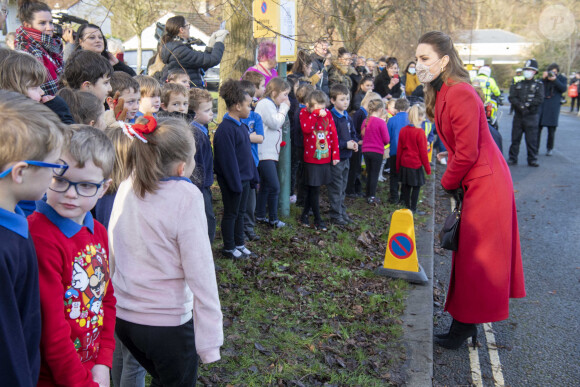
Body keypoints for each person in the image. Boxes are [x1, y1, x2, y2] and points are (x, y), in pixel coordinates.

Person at [416, 31, 525, 349]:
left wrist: (446, 182)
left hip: (485, 182)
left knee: (476, 260)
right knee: (469, 259)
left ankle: (463, 327)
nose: (419, 64)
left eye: (425, 58)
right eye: (418, 58)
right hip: (477, 180)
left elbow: (466, 153)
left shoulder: (459, 92)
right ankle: (463, 325)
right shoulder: (444, 90)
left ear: (444, 60)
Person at [109, 116, 223, 386]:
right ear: (183, 166)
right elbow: (201, 272)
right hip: (167, 324)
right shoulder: (187, 197)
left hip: (123, 318)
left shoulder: (128, 184)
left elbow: (112, 242)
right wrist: (210, 342)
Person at [28, 126, 116, 386]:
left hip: (90, 367)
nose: (70, 193)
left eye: (86, 185)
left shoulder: (97, 230)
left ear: (104, 188)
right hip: (52, 377)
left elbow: (106, 298)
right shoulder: (41, 237)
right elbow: (51, 331)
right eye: (61, 179)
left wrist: (103, 361)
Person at [0, 91, 67, 386]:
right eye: (54, 168)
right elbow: (7, 348)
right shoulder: (3, 247)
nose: (56, 177)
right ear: (21, 172)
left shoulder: (16, 216)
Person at [213, 79, 258, 259]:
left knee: (241, 213)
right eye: (249, 105)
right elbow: (227, 161)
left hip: (245, 179)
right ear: (238, 106)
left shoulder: (242, 126)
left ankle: (239, 244)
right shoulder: (225, 130)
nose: (251, 109)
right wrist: (235, 183)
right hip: (234, 182)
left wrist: (253, 176)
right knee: (231, 213)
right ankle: (229, 247)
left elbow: (247, 156)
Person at [299, 90, 339, 230]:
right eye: (317, 106)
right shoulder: (304, 113)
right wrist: (315, 114)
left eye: (323, 106)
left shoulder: (328, 114)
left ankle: (304, 214)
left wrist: (335, 154)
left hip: (325, 157)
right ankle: (317, 219)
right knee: (314, 189)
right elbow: (307, 129)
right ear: (309, 105)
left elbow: (333, 133)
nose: (321, 109)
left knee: (314, 188)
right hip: (312, 158)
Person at [255, 77, 291, 228]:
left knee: (266, 186)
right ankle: (273, 219)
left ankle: (260, 215)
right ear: (274, 92)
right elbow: (275, 122)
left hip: (270, 152)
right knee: (274, 186)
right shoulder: (265, 104)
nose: (286, 99)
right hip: (264, 153)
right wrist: (284, 108)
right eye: (284, 95)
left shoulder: (272, 104)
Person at [160, 15, 228, 88]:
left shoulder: (178, 48)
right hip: (190, 95)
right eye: (187, 26)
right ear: (181, 30)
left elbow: (202, 65)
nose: (189, 28)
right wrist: (219, 42)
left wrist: (210, 46)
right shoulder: (179, 51)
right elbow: (214, 59)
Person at [15, 0, 63, 96]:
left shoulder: (49, 47)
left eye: (51, 22)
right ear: (27, 25)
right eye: (42, 23)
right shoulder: (27, 51)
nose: (50, 28)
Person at [190, 87, 217, 243]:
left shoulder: (201, 131)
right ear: (194, 113)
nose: (211, 113)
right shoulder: (196, 135)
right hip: (199, 185)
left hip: (204, 183)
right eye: (207, 110)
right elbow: (198, 163)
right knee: (207, 219)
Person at [328, 84, 358, 225]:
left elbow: (353, 133)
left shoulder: (347, 117)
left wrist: (354, 142)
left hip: (346, 157)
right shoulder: (331, 117)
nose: (345, 102)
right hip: (336, 158)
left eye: (347, 99)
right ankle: (335, 214)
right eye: (342, 99)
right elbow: (330, 139)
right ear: (333, 100)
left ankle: (341, 210)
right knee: (336, 186)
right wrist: (345, 144)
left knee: (343, 186)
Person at [238, 80, 264, 241]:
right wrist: (249, 137)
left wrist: (243, 137)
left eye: (253, 101)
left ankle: (249, 227)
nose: (252, 105)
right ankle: (240, 229)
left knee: (251, 200)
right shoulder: (232, 117)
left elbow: (260, 138)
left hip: (253, 163)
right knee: (239, 200)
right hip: (239, 165)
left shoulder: (256, 117)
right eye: (250, 102)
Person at [507, 59, 544, 167]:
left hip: (531, 115)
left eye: (530, 70)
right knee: (515, 138)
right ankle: (512, 158)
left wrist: (528, 105)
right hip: (519, 115)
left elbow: (540, 98)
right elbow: (512, 97)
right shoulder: (518, 84)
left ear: (535, 72)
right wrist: (519, 105)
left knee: (531, 139)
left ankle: (532, 159)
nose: (527, 71)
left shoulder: (538, 85)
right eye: (526, 69)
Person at [396, 104, 431, 214]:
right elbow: (423, 153)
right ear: (420, 117)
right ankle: (413, 208)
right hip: (415, 164)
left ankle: (406, 207)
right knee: (416, 187)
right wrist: (427, 168)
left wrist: (397, 166)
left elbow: (399, 150)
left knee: (406, 186)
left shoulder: (403, 130)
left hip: (405, 163)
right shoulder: (420, 132)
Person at [346, 91, 382, 197]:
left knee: (357, 169)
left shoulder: (364, 114)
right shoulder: (360, 113)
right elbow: (354, 130)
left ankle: (357, 189)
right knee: (354, 169)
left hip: (361, 145)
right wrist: (357, 140)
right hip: (356, 144)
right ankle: (350, 190)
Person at [361, 99, 390, 204]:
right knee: (374, 174)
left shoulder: (365, 121)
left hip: (366, 150)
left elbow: (363, 135)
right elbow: (387, 139)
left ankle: (367, 194)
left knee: (369, 172)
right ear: (381, 110)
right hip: (377, 151)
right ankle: (371, 196)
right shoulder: (381, 122)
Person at [292, 83, 315, 207]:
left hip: (300, 145)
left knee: (302, 173)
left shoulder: (300, 109)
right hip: (302, 146)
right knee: (304, 174)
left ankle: (302, 199)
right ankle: (302, 199)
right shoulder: (302, 112)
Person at [537, 63, 567, 156]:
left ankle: (549, 148)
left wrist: (555, 80)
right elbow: (538, 87)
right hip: (542, 106)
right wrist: (543, 78)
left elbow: (563, 88)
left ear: (557, 72)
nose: (552, 74)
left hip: (553, 107)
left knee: (551, 130)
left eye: (554, 72)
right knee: (538, 129)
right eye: (551, 72)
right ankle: (535, 148)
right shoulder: (544, 80)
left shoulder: (561, 78)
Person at [387, 98, 411, 203]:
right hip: (407, 152)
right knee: (405, 176)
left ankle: (394, 197)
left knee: (394, 175)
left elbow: (388, 137)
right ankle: (404, 198)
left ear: (396, 108)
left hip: (395, 151)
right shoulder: (410, 120)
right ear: (408, 108)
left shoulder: (392, 120)